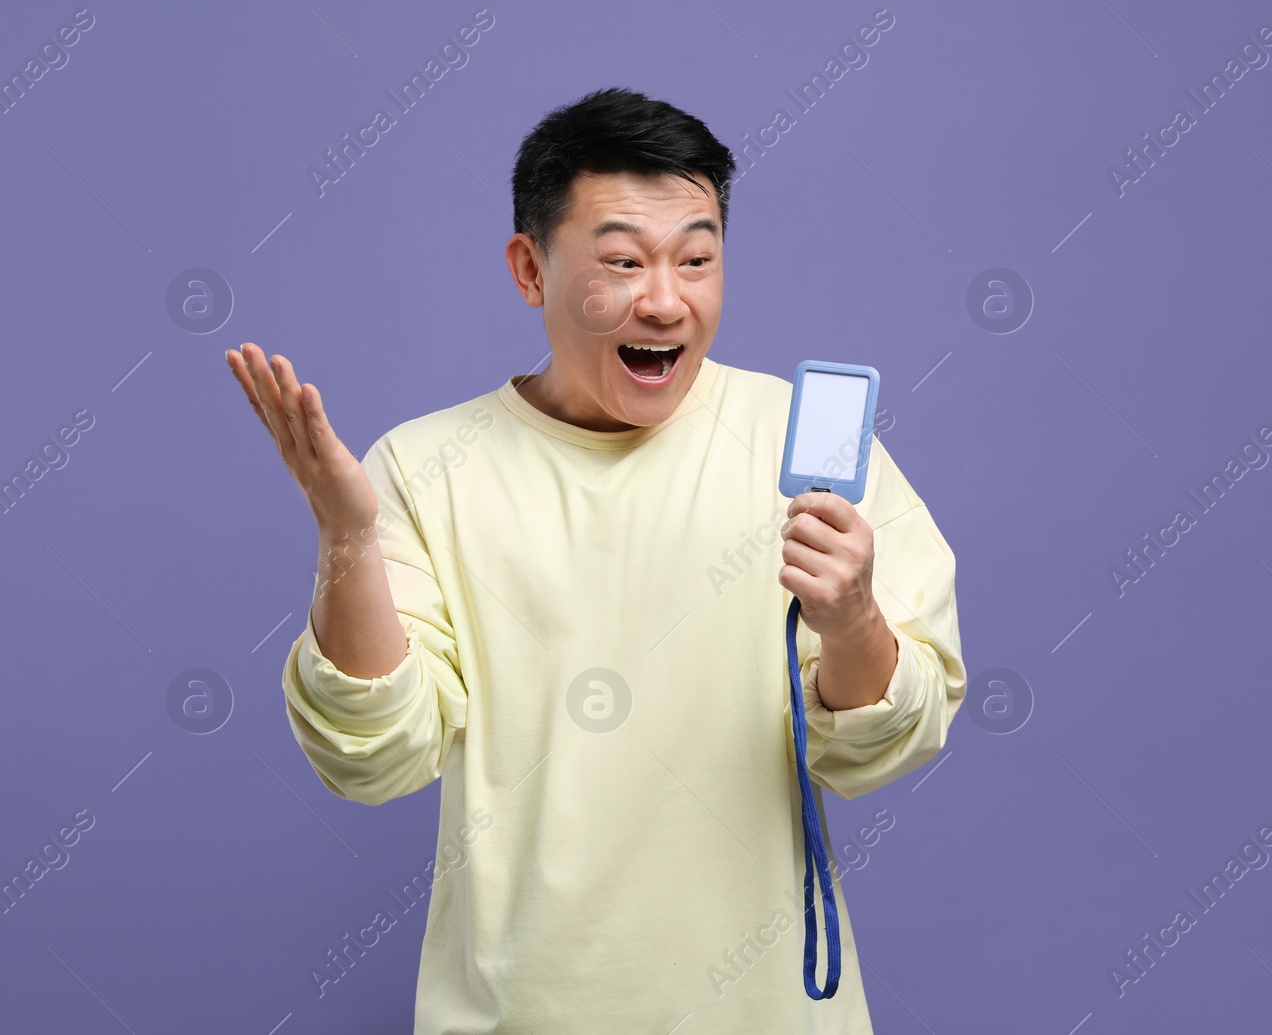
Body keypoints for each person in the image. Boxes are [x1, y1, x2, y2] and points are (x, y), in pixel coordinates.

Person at [224, 86, 966, 1034]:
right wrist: (347, 538)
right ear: (530, 269)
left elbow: (882, 746)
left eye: (696, 259)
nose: (665, 298)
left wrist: (854, 617)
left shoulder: (805, 448)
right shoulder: (423, 466)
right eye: (621, 261)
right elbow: (379, 755)